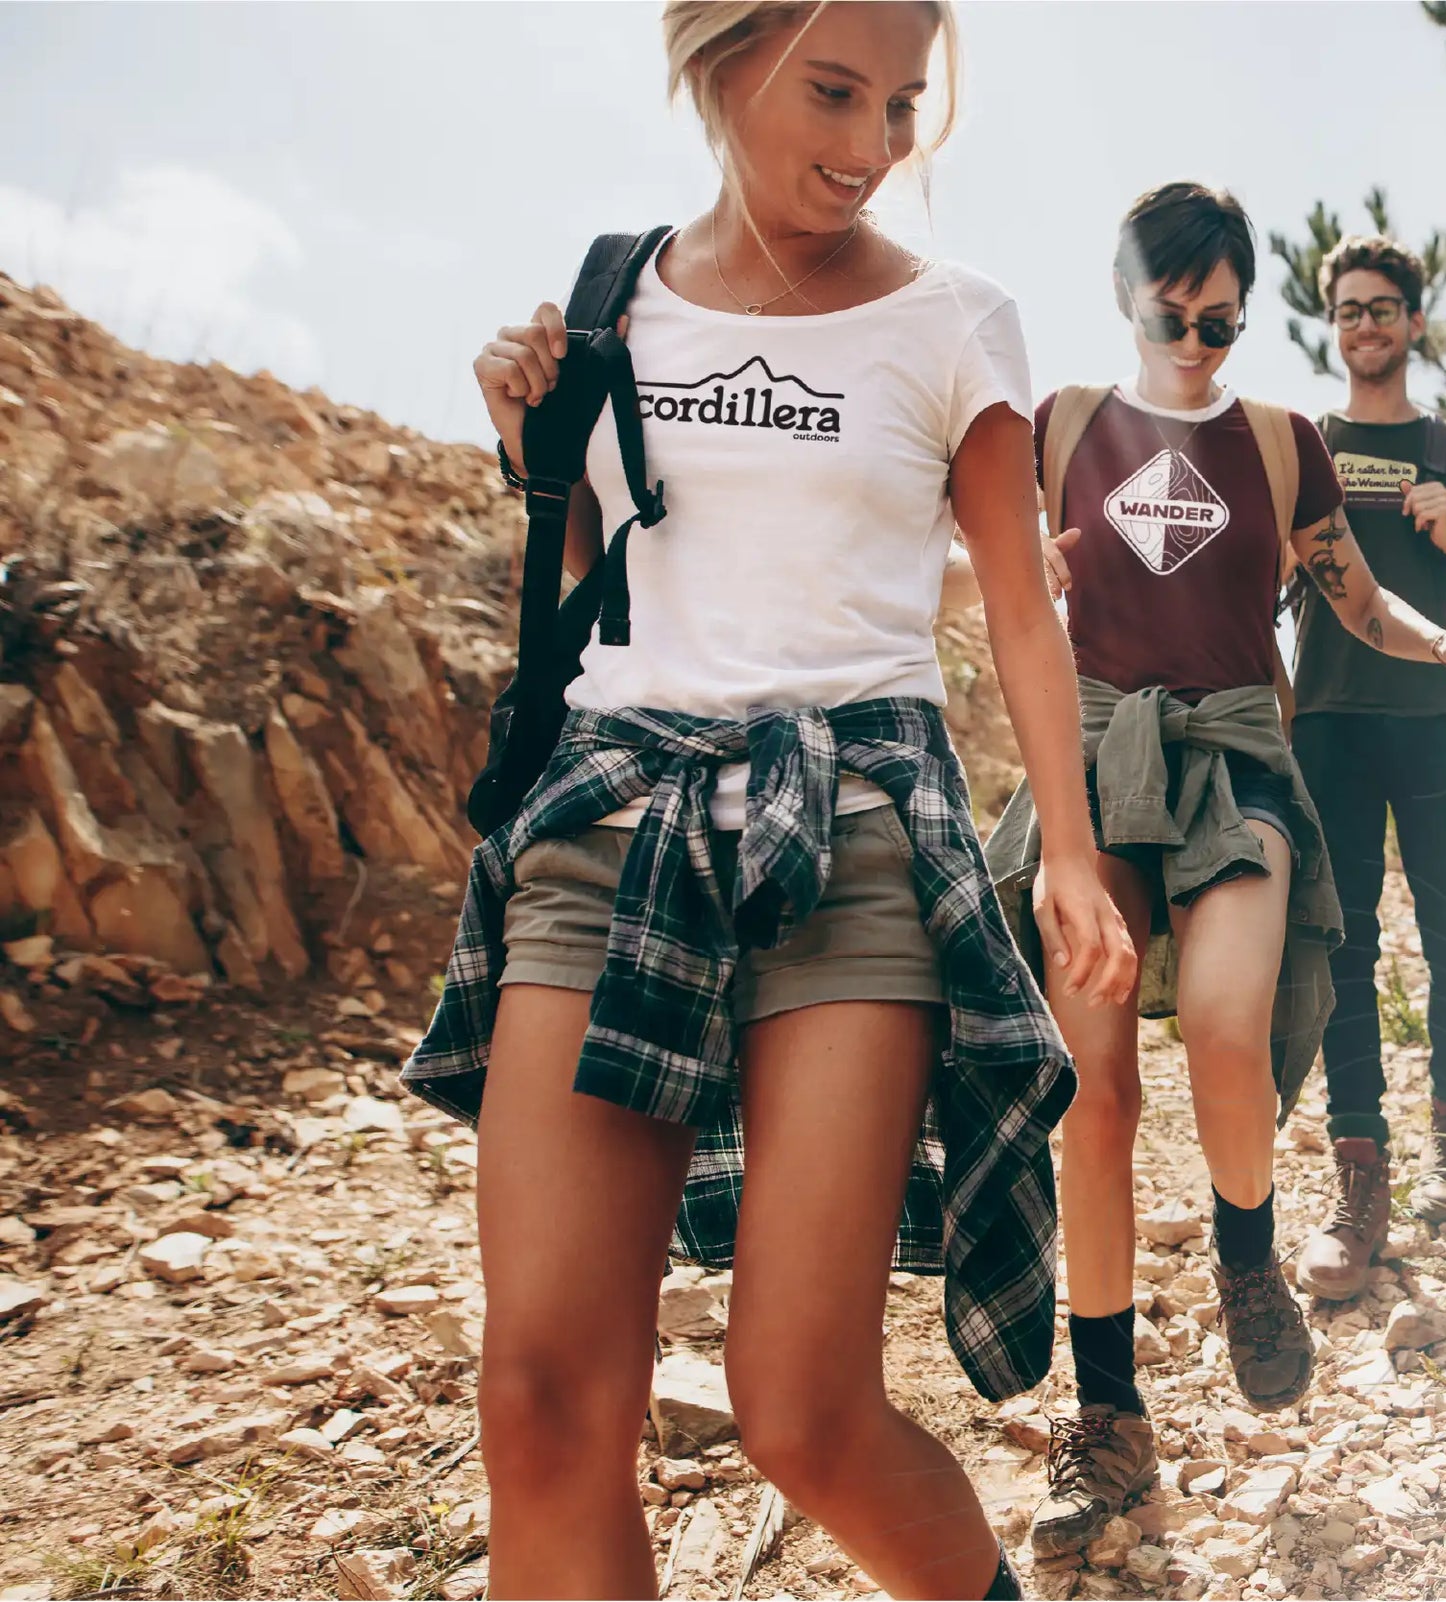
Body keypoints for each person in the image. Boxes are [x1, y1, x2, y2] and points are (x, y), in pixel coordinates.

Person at [407, 4, 1135, 1596]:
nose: (873, 144)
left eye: (902, 103)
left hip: (855, 830)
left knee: (800, 1408)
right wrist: (531, 447)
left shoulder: (960, 321)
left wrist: (1069, 851)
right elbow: (603, 595)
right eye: (833, 91)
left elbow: (1021, 608)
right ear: (719, 61)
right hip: (611, 827)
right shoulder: (610, 305)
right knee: (538, 1405)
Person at [974, 182, 1446, 1560]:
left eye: (1223, 314)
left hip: (1235, 757)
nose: (1199, 336)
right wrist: (1004, 569)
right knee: (1091, 1090)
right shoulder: (1064, 428)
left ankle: (1245, 1254)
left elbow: (1356, 597)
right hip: (1092, 762)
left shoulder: (1280, 445)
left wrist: (1442, 639)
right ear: (1129, 293)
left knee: (1226, 1020)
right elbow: (957, 560)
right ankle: (1111, 1421)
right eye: (1176, 309)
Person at [1289, 235, 1446, 1302]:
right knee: (1342, 946)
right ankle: (1360, 1173)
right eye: (1347, 310)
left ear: (1415, 323)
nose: (1366, 325)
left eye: (1383, 308)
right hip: (1331, 721)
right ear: (1331, 326)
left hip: (1438, 719)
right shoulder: (1300, 445)